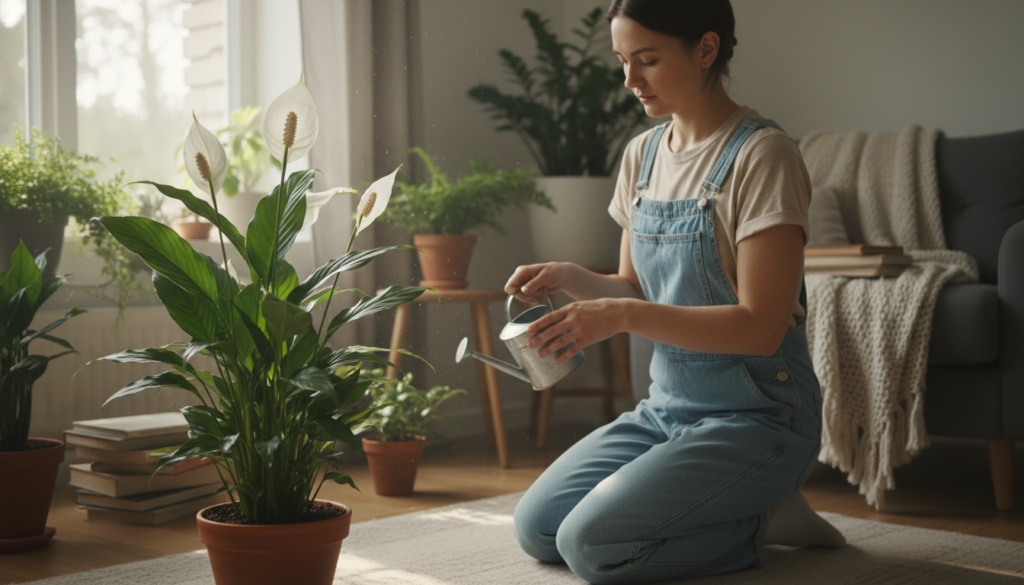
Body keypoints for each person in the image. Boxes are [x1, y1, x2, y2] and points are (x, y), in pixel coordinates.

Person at [505, 1, 846, 583]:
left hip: (759, 417)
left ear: (706, 49)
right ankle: (740, 509)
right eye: (621, 61)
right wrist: (570, 277)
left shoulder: (763, 156)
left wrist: (622, 313)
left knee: (592, 548)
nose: (629, 80)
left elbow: (761, 328)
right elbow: (632, 286)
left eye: (647, 60)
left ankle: (763, 519)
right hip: (667, 410)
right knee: (538, 529)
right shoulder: (641, 155)